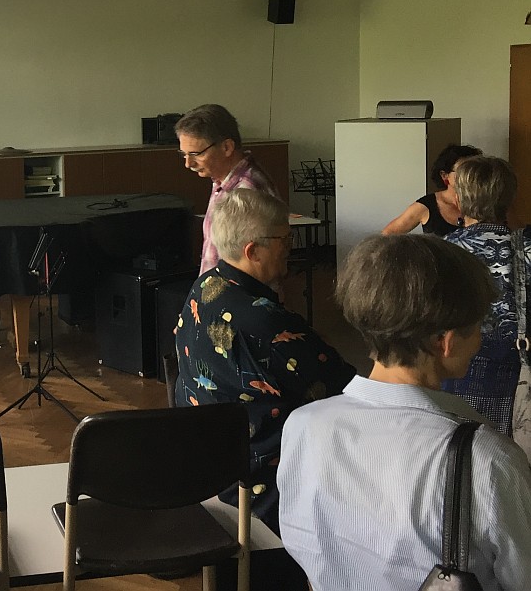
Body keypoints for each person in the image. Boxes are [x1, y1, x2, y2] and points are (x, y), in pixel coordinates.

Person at [278, 234, 531, 591]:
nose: (479, 341)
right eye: (477, 328)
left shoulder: (303, 425)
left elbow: (301, 542)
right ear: (444, 342)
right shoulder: (488, 460)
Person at [174, 188, 354, 534]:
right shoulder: (263, 323)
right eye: (284, 240)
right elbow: (343, 389)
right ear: (252, 251)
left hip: (206, 459)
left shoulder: (205, 285)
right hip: (260, 483)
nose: (290, 248)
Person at [442, 155, 531, 436]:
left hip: (464, 371)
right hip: (523, 369)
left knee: (467, 450)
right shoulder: (527, 245)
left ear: (459, 199)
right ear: (510, 198)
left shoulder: (446, 252)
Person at [174, 103, 279, 274]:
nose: (188, 163)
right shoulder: (221, 180)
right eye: (183, 154)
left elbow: (258, 267)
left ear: (227, 147)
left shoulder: (247, 191)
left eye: (196, 154)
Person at [381, 143, 482, 236]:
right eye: (463, 171)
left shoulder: (486, 202)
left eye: (475, 171)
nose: (470, 176)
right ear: (444, 175)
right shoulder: (427, 205)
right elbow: (387, 235)